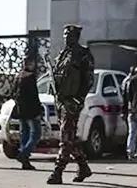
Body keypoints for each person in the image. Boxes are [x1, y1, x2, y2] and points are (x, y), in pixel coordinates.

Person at [47, 24, 95, 185]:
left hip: (72, 103)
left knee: (65, 138)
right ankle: (83, 167)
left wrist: (78, 99)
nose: (66, 37)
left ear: (76, 36)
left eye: (70, 34)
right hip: (61, 102)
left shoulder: (83, 55)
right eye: (65, 34)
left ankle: (57, 172)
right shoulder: (62, 55)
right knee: (70, 138)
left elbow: (88, 80)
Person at [11, 55, 42, 170]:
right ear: (30, 64)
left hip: (21, 110)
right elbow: (34, 96)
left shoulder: (18, 76)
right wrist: (38, 111)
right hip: (31, 110)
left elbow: (13, 93)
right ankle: (23, 154)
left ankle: (25, 161)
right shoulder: (30, 77)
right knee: (36, 134)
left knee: (24, 134)